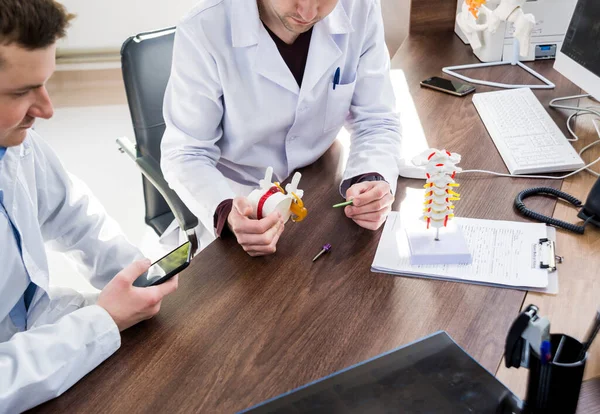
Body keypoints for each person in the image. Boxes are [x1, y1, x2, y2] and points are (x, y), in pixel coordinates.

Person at [0, 1, 178, 411]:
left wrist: (136, 276)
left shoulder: (17, 147)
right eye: (21, 91)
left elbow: (74, 218)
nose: (47, 109)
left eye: (46, 83)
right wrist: (102, 321)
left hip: (42, 328)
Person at [161, 0, 402, 256]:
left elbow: (377, 118)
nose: (308, 13)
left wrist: (372, 177)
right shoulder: (204, 28)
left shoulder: (360, 7)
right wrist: (226, 210)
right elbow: (186, 153)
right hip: (239, 194)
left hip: (318, 182)